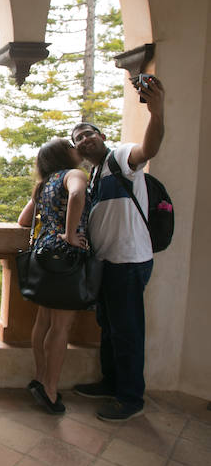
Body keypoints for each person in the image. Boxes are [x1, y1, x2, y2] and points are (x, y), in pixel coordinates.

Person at [71, 75, 165, 421]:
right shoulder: (94, 176)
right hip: (107, 262)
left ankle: (130, 398)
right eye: (78, 138)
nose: (84, 140)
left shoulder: (122, 158)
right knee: (109, 327)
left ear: (103, 136)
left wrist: (156, 113)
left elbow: (148, 149)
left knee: (127, 331)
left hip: (128, 260)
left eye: (88, 134)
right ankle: (111, 382)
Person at [18, 138, 90, 415]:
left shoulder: (44, 184)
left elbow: (25, 220)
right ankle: (50, 389)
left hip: (44, 254)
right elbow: (76, 195)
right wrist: (71, 234)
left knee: (44, 320)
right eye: (72, 147)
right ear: (64, 154)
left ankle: (39, 377)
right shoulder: (74, 175)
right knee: (60, 326)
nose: (77, 150)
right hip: (66, 257)